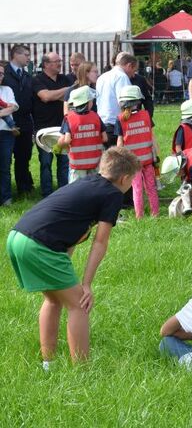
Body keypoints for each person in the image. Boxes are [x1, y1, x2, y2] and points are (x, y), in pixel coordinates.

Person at [6, 147, 140, 365]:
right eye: (132, 180)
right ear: (125, 178)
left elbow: (71, 234)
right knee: (80, 304)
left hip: (18, 237)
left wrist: (65, 267)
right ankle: (82, 371)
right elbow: (100, 242)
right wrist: (86, 285)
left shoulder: (87, 183)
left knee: (53, 299)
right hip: (39, 244)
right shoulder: (112, 194)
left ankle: (48, 363)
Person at [115, 86, 159, 219]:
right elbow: (152, 137)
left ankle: (139, 216)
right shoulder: (146, 115)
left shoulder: (120, 119)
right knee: (151, 187)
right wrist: (156, 155)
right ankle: (155, 214)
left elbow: (120, 143)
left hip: (133, 163)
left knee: (137, 189)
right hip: (148, 160)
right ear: (138, 101)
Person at [32, 52, 70, 197]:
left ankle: (63, 193)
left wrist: (55, 95)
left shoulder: (64, 78)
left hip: (62, 128)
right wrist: (65, 91)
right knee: (46, 164)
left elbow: (69, 99)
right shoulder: (37, 80)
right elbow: (46, 97)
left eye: (60, 60)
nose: (60, 63)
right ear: (46, 64)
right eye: (56, 61)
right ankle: (47, 194)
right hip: (44, 130)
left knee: (63, 163)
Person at [2, 45, 35, 196]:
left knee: (24, 156)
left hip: (25, 121)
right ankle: (5, 191)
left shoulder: (28, 75)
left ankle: (23, 188)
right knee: (4, 160)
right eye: (26, 55)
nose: (29, 58)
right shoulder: (4, 73)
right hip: (6, 123)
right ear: (15, 55)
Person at [58, 86, 107, 184]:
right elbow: (105, 138)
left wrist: (58, 146)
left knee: (76, 190)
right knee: (94, 188)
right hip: (95, 162)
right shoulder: (96, 117)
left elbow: (66, 140)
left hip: (77, 164)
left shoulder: (69, 118)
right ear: (88, 103)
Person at [95, 53, 137, 147]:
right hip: (115, 126)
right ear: (129, 65)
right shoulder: (122, 77)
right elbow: (125, 102)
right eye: (134, 71)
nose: (133, 75)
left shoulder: (102, 77)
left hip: (102, 125)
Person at [0, 64, 19, 206]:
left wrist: (5, 110)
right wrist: (7, 109)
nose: (1, 77)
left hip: (6, 133)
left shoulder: (7, 90)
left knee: (5, 166)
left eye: (1, 74)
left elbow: (14, 107)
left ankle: (6, 197)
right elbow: (9, 108)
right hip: (8, 128)